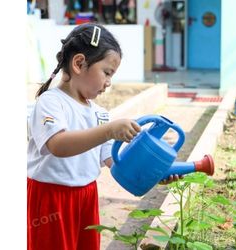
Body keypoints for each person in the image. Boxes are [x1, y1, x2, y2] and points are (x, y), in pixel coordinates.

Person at [27, 23, 179, 250]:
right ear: (79, 63)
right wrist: (109, 130)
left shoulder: (99, 114)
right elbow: (58, 144)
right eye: (107, 72)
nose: (109, 82)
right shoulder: (51, 102)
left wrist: (154, 171)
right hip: (51, 199)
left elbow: (114, 160)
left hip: (86, 196)